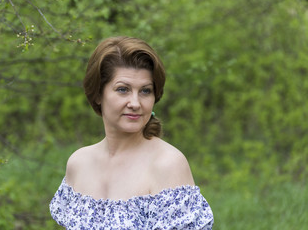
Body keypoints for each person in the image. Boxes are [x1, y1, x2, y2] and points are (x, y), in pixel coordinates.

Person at [50, 36, 214, 229]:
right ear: (97, 94)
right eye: (123, 89)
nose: (135, 103)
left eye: (145, 91)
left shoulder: (167, 165)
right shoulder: (79, 163)